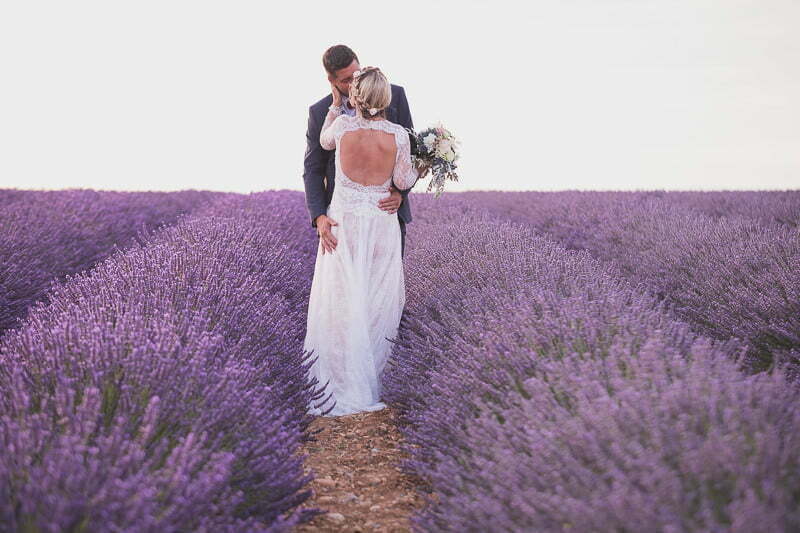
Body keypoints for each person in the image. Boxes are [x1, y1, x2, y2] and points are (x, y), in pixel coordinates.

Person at [303, 64, 429, 416]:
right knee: (376, 303)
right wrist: (425, 164)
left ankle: (339, 382)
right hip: (380, 226)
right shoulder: (398, 136)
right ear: (386, 99)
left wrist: (334, 105)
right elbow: (403, 181)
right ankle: (370, 381)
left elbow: (324, 142)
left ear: (355, 98)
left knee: (341, 302)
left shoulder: (341, 127)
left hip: (343, 226)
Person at [303, 44, 416, 258]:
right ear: (332, 81)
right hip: (340, 222)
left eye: (357, 74)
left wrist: (400, 194)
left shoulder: (395, 94)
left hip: (387, 215)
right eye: (347, 80)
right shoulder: (319, 112)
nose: (355, 82)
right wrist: (319, 216)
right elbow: (313, 169)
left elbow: (412, 151)